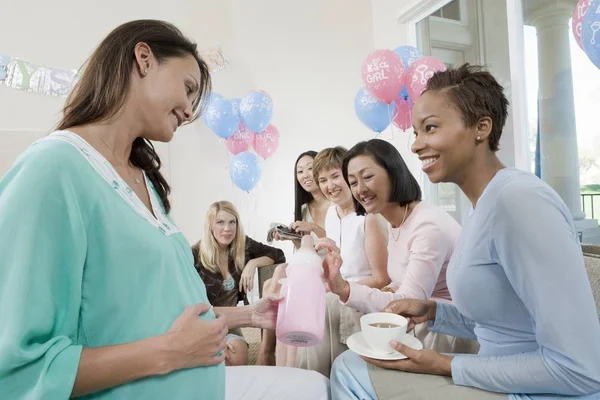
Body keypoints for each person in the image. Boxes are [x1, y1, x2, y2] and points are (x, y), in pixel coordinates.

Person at [0, 20, 329, 400]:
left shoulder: (142, 181)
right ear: (144, 59)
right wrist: (167, 354)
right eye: (188, 88)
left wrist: (252, 314)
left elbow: (167, 317)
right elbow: (20, 370)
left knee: (317, 387)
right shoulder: (54, 169)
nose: (190, 111)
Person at [328, 64, 600, 399]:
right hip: (497, 373)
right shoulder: (481, 207)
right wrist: (434, 311)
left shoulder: (518, 201)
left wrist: (445, 365)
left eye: (430, 128)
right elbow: (502, 320)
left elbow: (581, 369)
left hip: (535, 392)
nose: (415, 145)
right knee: (349, 365)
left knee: (351, 371)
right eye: (416, 132)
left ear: (481, 127)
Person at [321, 138, 476, 354]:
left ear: (394, 173)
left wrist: (343, 288)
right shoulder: (395, 221)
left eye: (367, 177)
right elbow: (400, 281)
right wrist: (386, 288)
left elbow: (408, 303)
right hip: (420, 321)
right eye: (353, 182)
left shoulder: (427, 226)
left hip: (446, 330)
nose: (360, 189)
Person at [261, 147, 389, 375]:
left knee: (310, 309)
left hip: (356, 297)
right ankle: (287, 375)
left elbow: (382, 279)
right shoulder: (333, 214)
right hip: (337, 291)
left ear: (350, 177)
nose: (330, 185)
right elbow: (334, 265)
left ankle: (301, 375)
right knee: (289, 297)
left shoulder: (368, 218)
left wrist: (335, 289)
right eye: (323, 180)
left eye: (335, 176)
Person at [192, 201, 286, 366]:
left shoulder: (243, 245)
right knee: (216, 357)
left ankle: (265, 354)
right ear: (210, 226)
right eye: (220, 222)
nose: (227, 229)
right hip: (205, 322)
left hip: (231, 322)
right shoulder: (194, 254)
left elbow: (277, 255)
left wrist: (252, 264)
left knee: (237, 356)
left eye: (232, 222)